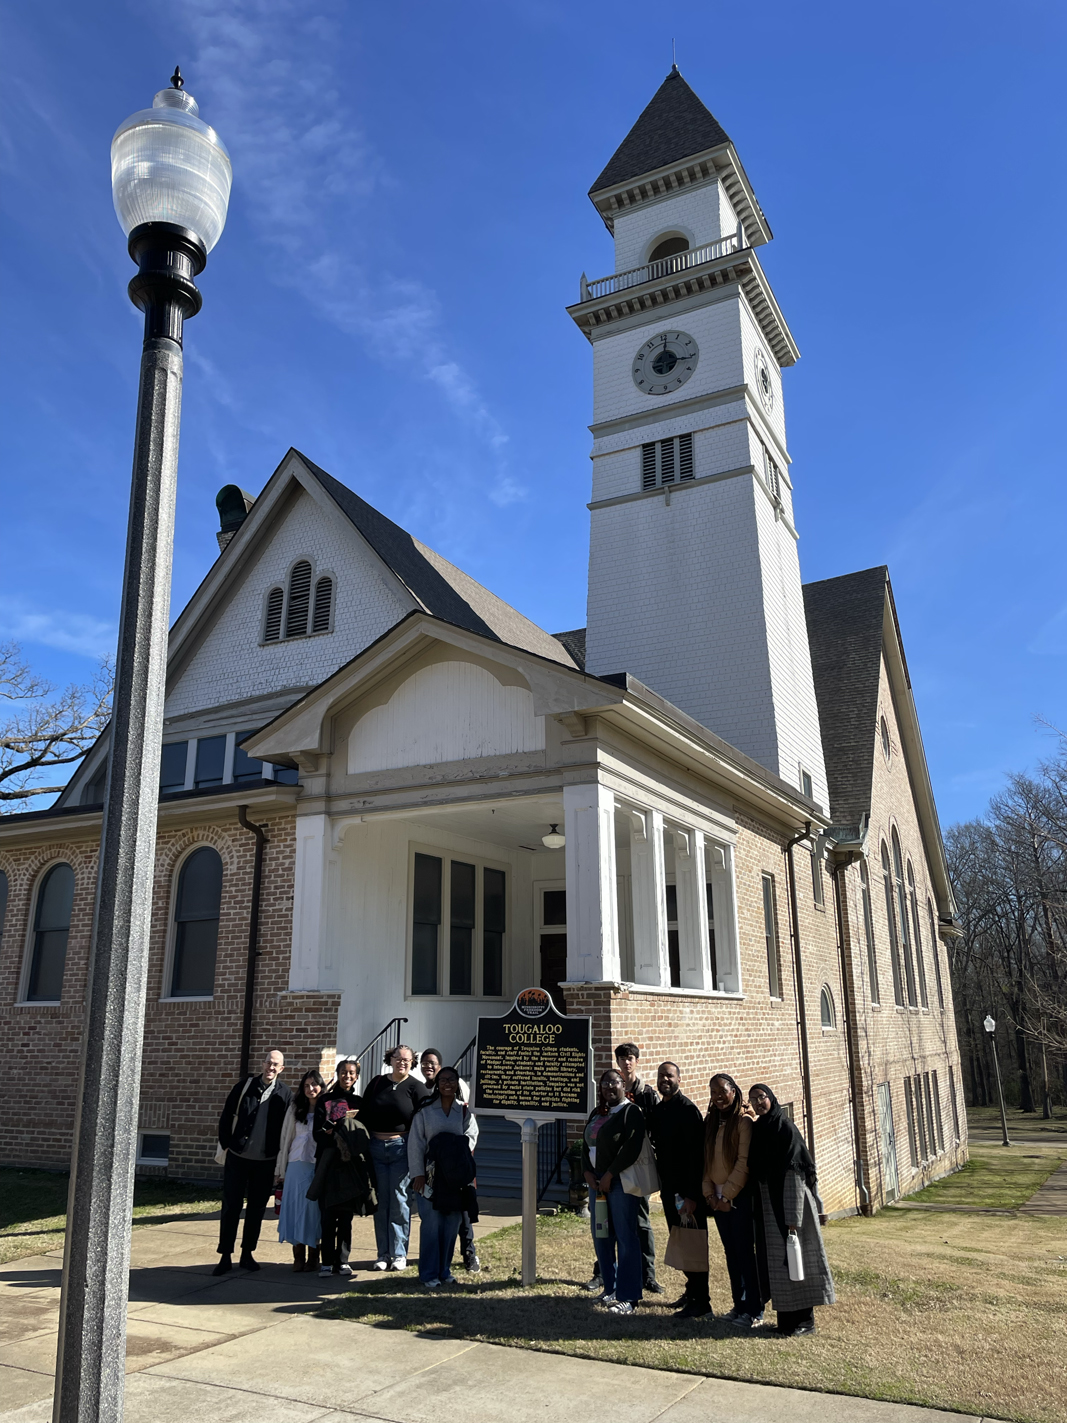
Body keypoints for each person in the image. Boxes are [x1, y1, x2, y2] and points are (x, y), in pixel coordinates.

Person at [747, 1083, 836, 1337]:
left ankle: (806, 1322)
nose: (758, 1103)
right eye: (753, 1100)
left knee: (800, 1263)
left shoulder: (785, 1129)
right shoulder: (761, 1129)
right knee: (780, 1266)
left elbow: (797, 1173)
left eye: (761, 1097)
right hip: (771, 1206)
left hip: (791, 1206)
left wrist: (793, 1218)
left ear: (771, 1098)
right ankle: (786, 1321)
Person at [215, 1049, 292, 1274]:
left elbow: (287, 1129)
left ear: (282, 1069)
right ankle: (225, 1256)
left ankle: (247, 1254)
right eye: (268, 1062)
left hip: (265, 1161)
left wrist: (281, 1163)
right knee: (231, 1207)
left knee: (256, 1209)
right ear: (262, 1064)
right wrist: (227, 1144)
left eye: (276, 1064)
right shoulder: (245, 1087)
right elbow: (226, 1115)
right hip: (238, 1157)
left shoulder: (284, 1094)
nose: (271, 1067)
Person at [358, 1044, 429, 1270]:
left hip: (402, 1148)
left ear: (412, 1063)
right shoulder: (377, 1083)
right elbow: (363, 1114)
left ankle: (399, 1254)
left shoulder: (416, 1088)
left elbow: (424, 1122)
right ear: (390, 1059)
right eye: (398, 1058)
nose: (402, 1062)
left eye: (407, 1060)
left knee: (399, 1200)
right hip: (375, 1148)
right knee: (381, 1202)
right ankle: (383, 1255)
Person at [582, 1067, 646, 1315]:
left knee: (625, 1238)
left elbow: (632, 1148)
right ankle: (610, 1288)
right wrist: (588, 1173)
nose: (609, 1088)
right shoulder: (597, 1113)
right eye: (605, 1084)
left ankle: (629, 1297)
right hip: (596, 1184)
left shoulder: (631, 1112)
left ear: (623, 1086)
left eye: (614, 1083)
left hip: (620, 1183)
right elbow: (587, 1146)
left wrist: (609, 1175)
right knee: (602, 1236)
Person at [649, 1061, 710, 1319]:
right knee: (682, 1242)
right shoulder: (659, 1110)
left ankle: (702, 1303)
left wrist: (693, 1196)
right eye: (662, 1076)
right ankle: (691, 1292)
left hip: (688, 1194)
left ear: (679, 1080)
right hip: (669, 1191)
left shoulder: (688, 1111)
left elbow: (698, 1158)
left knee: (694, 1245)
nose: (665, 1080)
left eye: (670, 1076)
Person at [408, 1066, 479, 1289]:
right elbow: (416, 1143)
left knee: (451, 1224)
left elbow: (472, 1136)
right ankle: (429, 1274)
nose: (447, 1083)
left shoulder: (464, 1111)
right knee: (432, 1224)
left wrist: (453, 1149)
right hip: (430, 1175)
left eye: (451, 1079)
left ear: (458, 1083)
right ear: (437, 1084)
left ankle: (444, 1271)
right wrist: (417, 1173)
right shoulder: (425, 1111)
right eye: (443, 1080)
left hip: (455, 1177)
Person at [703, 1072, 763, 1327]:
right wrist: (710, 1194)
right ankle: (738, 1306)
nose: (718, 1097)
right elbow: (706, 1161)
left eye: (723, 1091)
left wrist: (727, 1196)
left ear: (734, 1091)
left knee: (744, 1254)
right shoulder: (711, 1122)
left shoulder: (743, 1122)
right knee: (730, 1254)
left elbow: (743, 1163)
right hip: (716, 1200)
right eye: (714, 1093)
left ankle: (754, 1310)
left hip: (737, 1199)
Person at [613, 1041, 663, 1295]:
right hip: (616, 1165)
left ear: (637, 1061)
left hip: (639, 1163)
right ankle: (606, 1272)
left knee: (642, 1221)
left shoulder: (646, 1094)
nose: (627, 1061)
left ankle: (649, 1275)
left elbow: (654, 1128)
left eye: (631, 1057)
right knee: (613, 1221)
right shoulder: (613, 1090)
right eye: (622, 1057)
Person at [311, 1059, 366, 1276]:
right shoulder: (325, 1099)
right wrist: (332, 1126)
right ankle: (326, 1262)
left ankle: (342, 1260)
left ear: (357, 1077)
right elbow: (317, 1133)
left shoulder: (360, 1102)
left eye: (352, 1073)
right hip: (328, 1163)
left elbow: (363, 1134)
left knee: (345, 1217)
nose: (348, 1076)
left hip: (349, 1165)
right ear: (338, 1074)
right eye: (344, 1072)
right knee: (327, 1215)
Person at [275, 1069, 325, 1271]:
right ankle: (298, 1256)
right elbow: (285, 1139)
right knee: (296, 1210)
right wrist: (281, 1169)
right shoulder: (295, 1109)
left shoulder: (326, 1108)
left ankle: (314, 1256)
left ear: (321, 1086)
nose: (310, 1088)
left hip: (316, 1166)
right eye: (306, 1085)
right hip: (296, 1165)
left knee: (314, 1212)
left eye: (314, 1084)